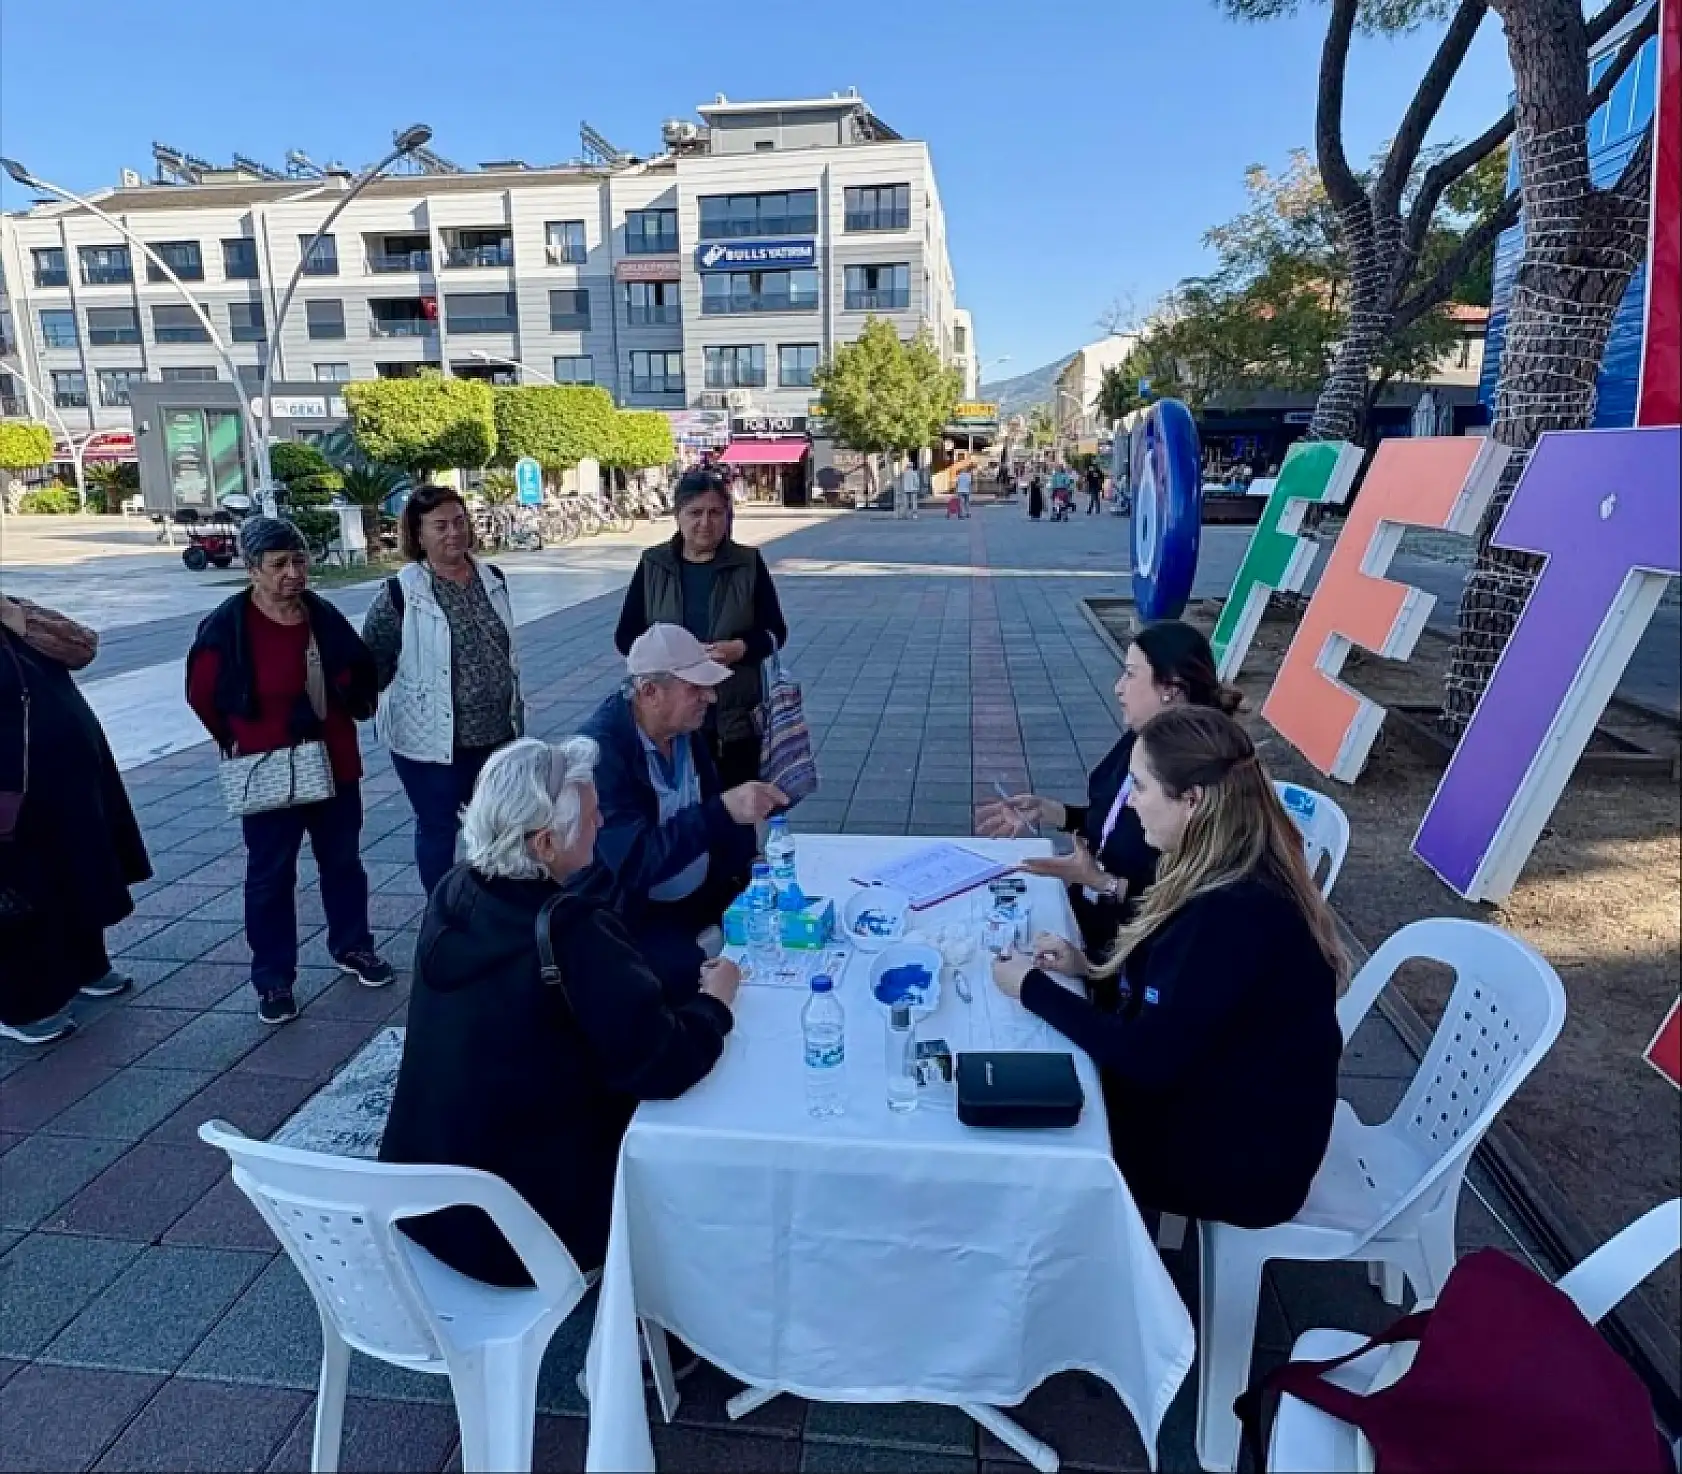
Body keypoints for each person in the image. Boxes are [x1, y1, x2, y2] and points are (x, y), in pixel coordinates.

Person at [379, 737, 739, 1285]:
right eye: (594, 817)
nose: (601, 826)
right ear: (545, 842)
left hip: (425, 1204)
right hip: (521, 1232)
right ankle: (664, 1334)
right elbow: (666, 1063)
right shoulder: (569, 931)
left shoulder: (455, 892)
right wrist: (717, 1003)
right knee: (694, 1141)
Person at [992, 705, 1345, 1229]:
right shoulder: (1222, 866)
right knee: (1032, 1087)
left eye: (1140, 787)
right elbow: (1180, 999)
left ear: (1192, 800)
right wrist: (1091, 969)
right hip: (1226, 1102)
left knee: (1030, 1139)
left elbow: (1147, 1057)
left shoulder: (1231, 909)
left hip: (1245, 1162)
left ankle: (1065, 1281)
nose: (1130, 803)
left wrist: (1033, 989)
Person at [187, 518, 392, 1024]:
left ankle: (353, 946)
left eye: (299, 560)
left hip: (334, 762)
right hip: (267, 766)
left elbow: (358, 672)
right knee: (270, 876)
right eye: (279, 564)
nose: (293, 573)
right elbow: (202, 696)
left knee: (343, 863)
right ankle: (274, 978)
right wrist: (236, 740)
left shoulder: (322, 617)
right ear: (252, 570)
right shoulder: (227, 627)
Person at [978, 620, 1240, 966]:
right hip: (1092, 913)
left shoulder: (1201, 775)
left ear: (1170, 689)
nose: (1118, 688)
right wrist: (1052, 811)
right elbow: (1111, 818)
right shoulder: (1144, 738)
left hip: (1132, 948)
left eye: (1131, 675)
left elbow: (1182, 907)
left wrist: (1101, 883)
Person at [581, 625, 786, 994]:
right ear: (649, 692)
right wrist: (723, 812)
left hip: (701, 889)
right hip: (638, 914)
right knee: (699, 982)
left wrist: (751, 865)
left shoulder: (683, 728)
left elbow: (717, 806)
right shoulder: (600, 753)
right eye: (695, 687)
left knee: (778, 933)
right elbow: (633, 862)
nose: (710, 697)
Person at [0, 592, 151, 1044]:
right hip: (12, 794)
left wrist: (17, 617)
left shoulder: (14, 610)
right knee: (19, 895)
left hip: (66, 784)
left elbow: (82, 646)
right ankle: (20, 1005)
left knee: (79, 869)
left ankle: (87, 965)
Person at [362, 485, 523, 895]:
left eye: (459, 521)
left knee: (495, 826)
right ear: (418, 535)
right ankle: (442, 914)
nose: (453, 533)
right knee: (438, 828)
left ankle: (489, 912)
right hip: (430, 741)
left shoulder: (492, 579)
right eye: (439, 526)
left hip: (496, 734)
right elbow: (373, 661)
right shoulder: (402, 592)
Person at [614, 468, 788, 788]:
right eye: (694, 513)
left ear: (728, 516)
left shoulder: (747, 563)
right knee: (675, 821)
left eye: (715, 513)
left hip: (733, 720)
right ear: (677, 515)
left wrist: (741, 649)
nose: (705, 523)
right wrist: (670, 662)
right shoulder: (654, 564)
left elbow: (775, 632)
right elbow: (627, 637)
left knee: (733, 818)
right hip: (669, 721)